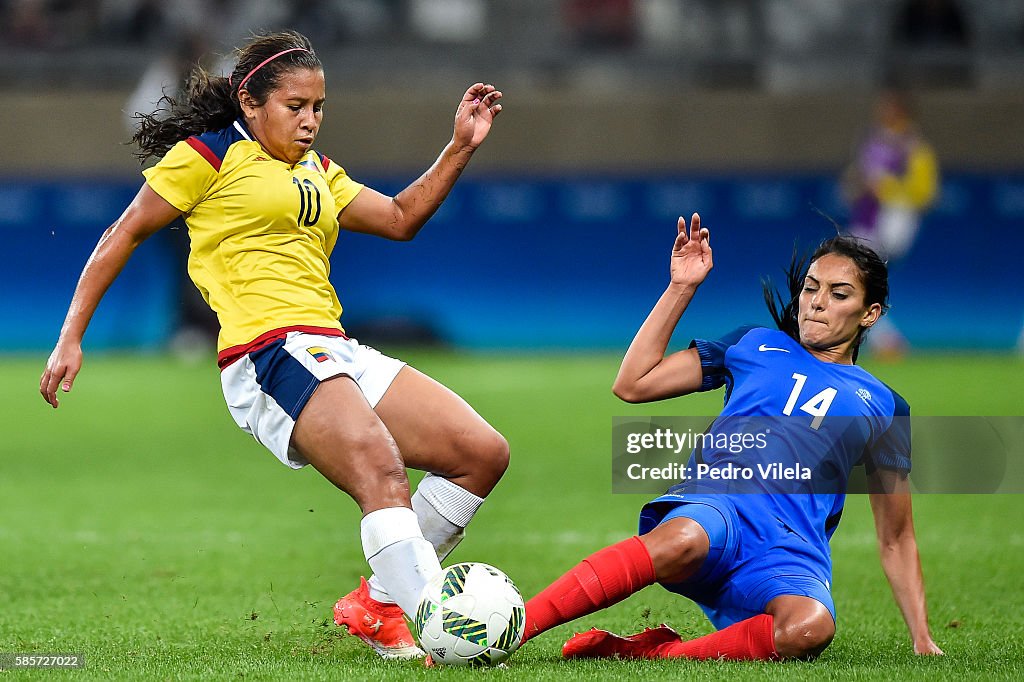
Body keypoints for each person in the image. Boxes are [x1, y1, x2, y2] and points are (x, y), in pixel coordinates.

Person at [39, 30, 507, 661]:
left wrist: (458, 148)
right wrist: (71, 337)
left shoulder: (318, 171)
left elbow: (400, 218)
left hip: (335, 347)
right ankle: (431, 626)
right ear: (250, 105)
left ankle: (379, 600)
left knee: (480, 453)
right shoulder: (207, 156)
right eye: (296, 107)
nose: (311, 121)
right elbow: (121, 236)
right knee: (382, 473)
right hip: (267, 353)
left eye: (318, 107)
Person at [519, 214, 943, 661]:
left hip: (789, 549)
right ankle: (515, 625)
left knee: (809, 628)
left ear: (870, 314)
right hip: (720, 507)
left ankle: (653, 655)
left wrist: (921, 637)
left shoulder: (885, 406)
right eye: (811, 288)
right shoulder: (753, 344)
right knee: (682, 537)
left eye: (839, 294)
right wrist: (681, 287)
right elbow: (633, 384)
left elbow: (896, 536)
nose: (816, 303)